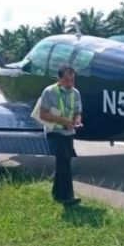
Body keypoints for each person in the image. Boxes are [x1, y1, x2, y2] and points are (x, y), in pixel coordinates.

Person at [39, 65, 83, 206]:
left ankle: (56, 193)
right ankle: (67, 196)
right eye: (66, 80)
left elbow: (78, 111)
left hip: (68, 132)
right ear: (59, 79)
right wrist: (63, 120)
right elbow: (43, 114)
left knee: (64, 162)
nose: (70, 84)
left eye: (72, 80)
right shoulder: (49, 92)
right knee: (64, 161)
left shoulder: (75, 93)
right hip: (54, 132)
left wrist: (77, 119)